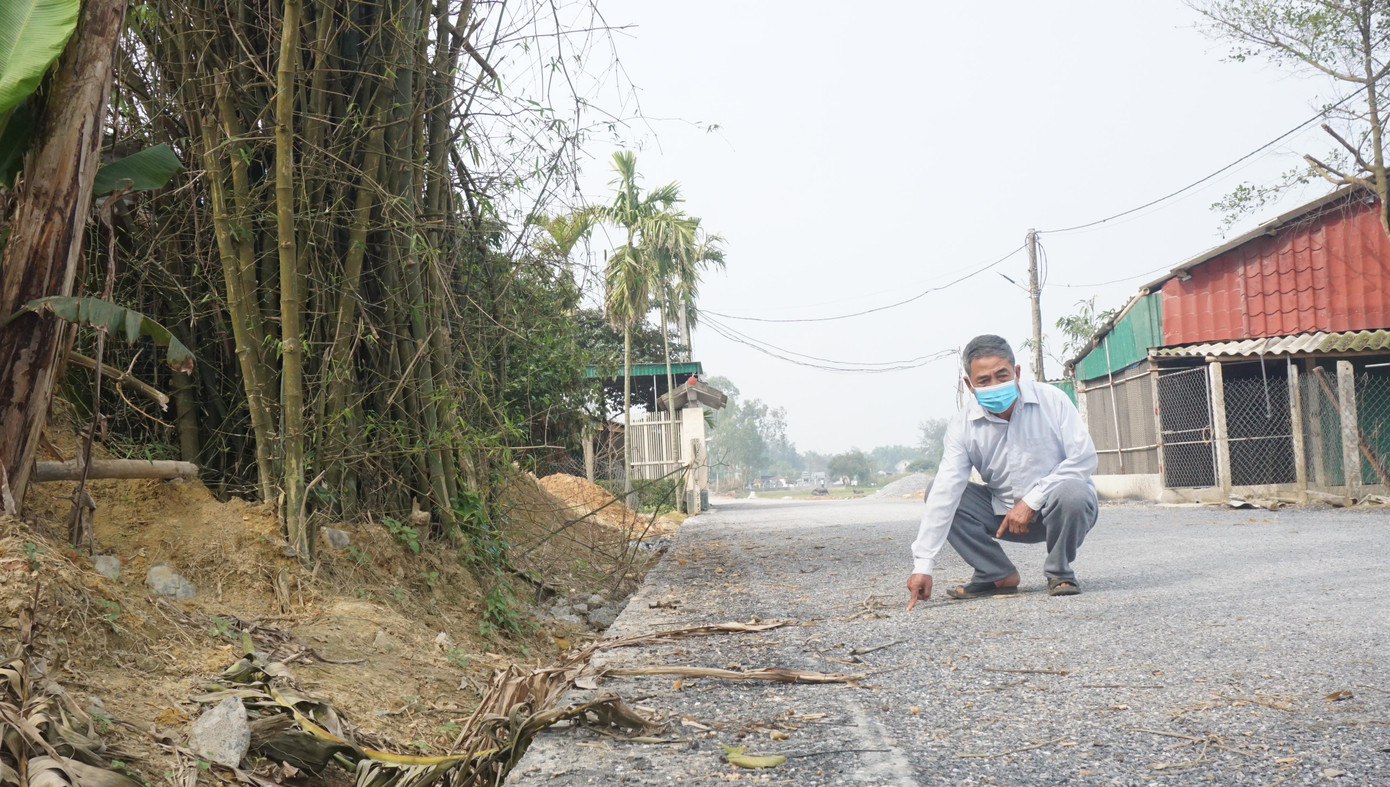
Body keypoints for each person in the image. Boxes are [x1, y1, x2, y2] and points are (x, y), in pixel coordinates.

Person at [905, 335, 1098, 610]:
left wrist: (1031, 501)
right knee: (936, 489)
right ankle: (996, 573)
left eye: (1002, 375)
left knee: (1074, 491)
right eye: (984, 380)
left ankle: (1060, 572)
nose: (995, 385)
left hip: (1060, 511)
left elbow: (1084, 458)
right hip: (1003, 517)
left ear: (1016, 373)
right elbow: (946, 491)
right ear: (969, 385)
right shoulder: (962, 426)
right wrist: (923, 565)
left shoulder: (1052, 400)